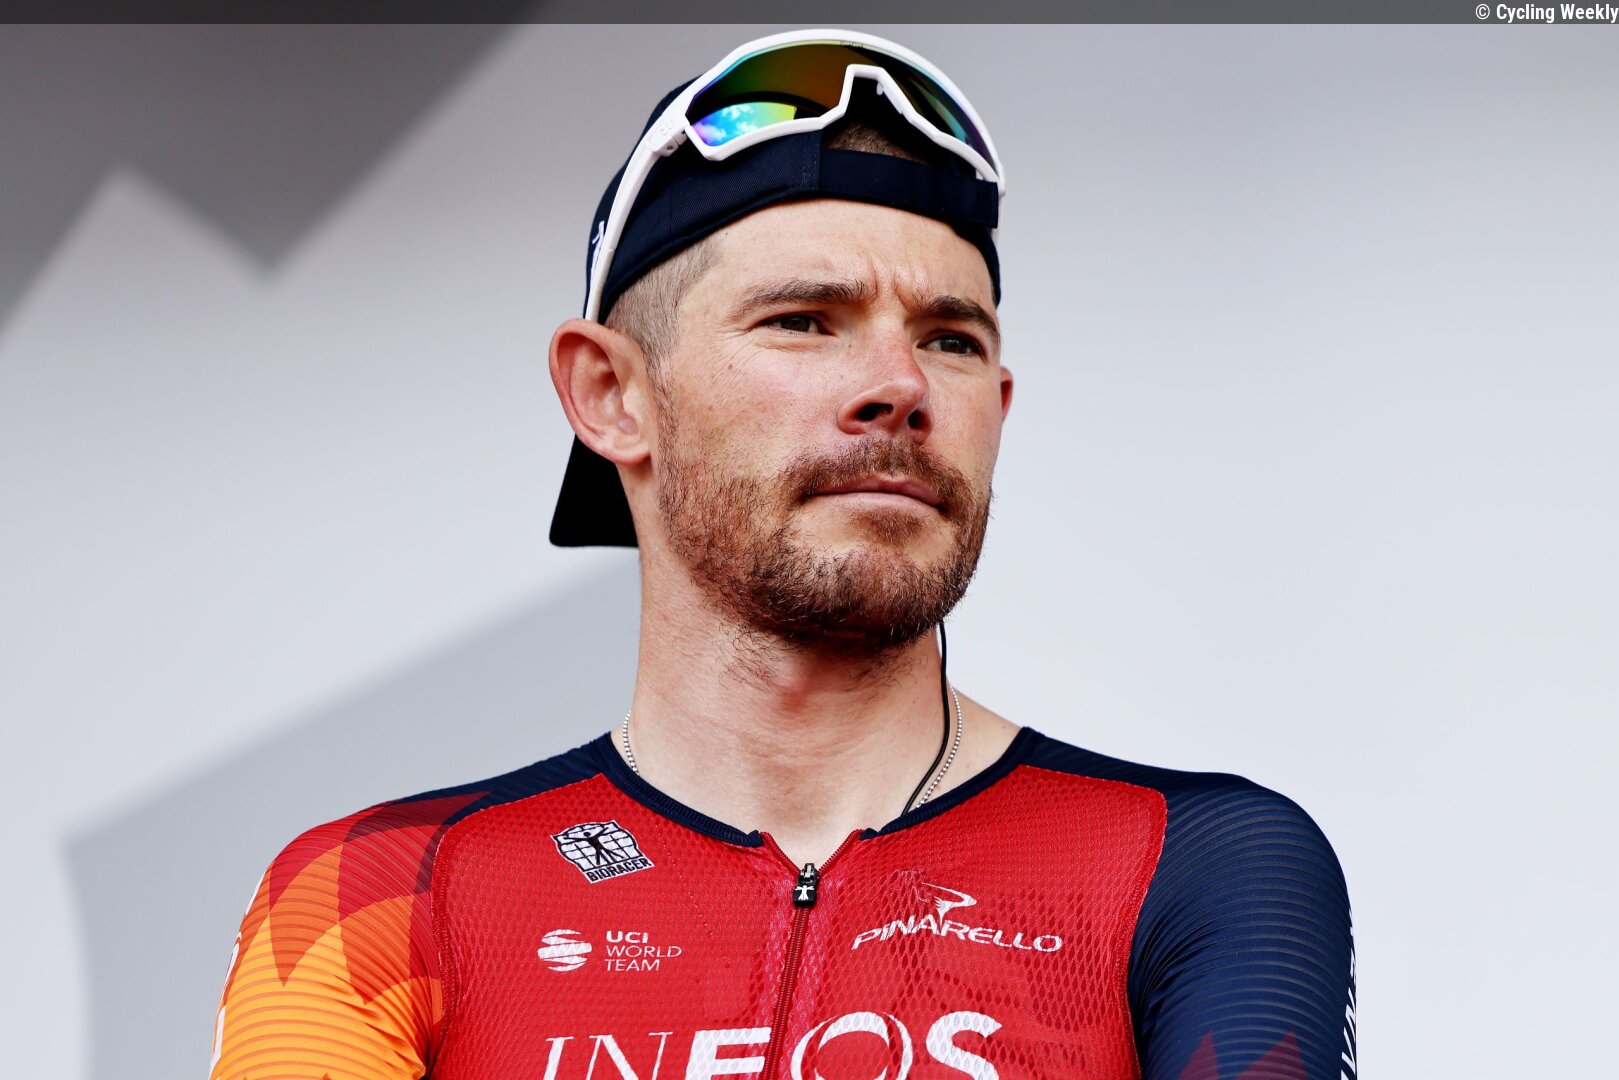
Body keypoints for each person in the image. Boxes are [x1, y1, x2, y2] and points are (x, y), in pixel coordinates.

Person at [209, 29, 1355, 1080]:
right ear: (610, 394)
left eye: (950, 340)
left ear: (998, 409)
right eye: (803, 321)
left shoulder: (1198, 862)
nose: (899, 387)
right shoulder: (371, 892)